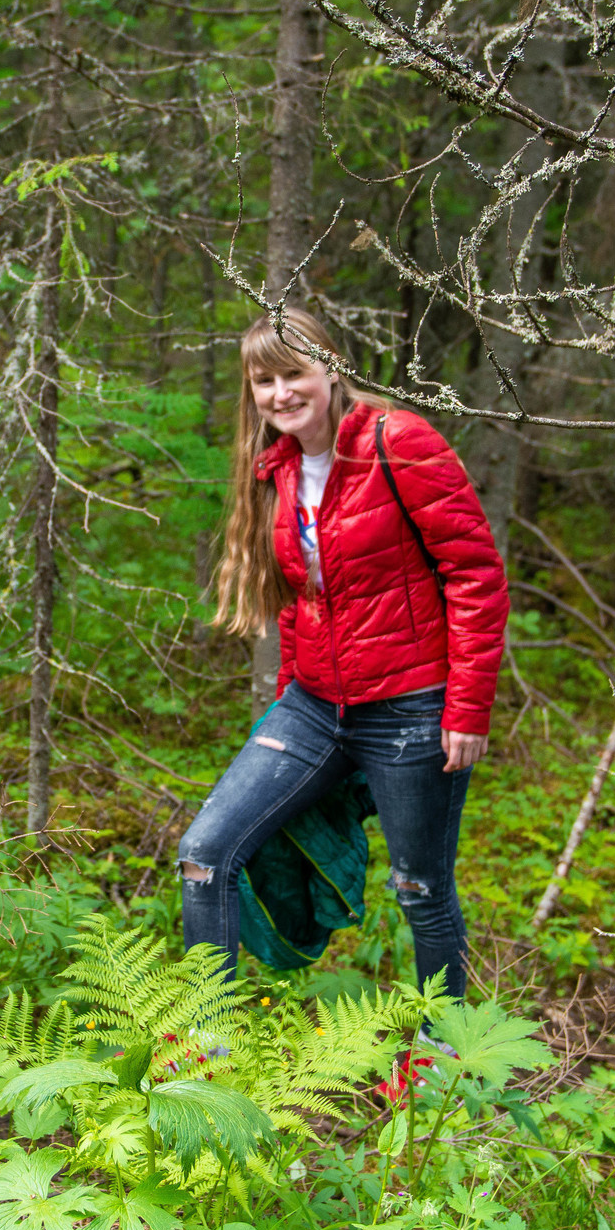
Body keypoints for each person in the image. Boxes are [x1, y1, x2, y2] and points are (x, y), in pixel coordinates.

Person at [180, 307, 508, 1020]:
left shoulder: (399, 441)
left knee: (422, 889)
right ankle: (207, 1051)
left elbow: (476, 574)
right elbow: (300, 597)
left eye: (292, 373)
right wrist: (288, 698)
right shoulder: (277, 468)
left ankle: (444, 1053)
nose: (280, 394)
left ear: (330, 368)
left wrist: (467, 707)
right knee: (206, 852)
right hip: (313, 707)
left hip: (410, 707)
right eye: (263, 381)